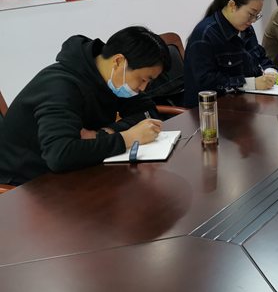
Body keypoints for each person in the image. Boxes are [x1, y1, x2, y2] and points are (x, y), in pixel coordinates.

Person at [0, 26, 170, 185]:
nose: (143, 88)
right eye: (143, 79)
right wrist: (128, 138)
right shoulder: (60, 86)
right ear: (119, 62)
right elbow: (60, 155)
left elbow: (148, 112)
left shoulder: (111, 78)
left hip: (75, 171)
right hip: (25, 183)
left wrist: (107, 133)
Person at [183, 0, 278, 107]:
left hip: (244, 102)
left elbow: (259, 55)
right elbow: (206, 82)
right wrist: (251, 83)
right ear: (232, 6)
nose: (253, 20)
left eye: (257, 16)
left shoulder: (245, 28)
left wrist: (270, 71)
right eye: (251, 14)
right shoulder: (205, 35)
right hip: (211, 108)